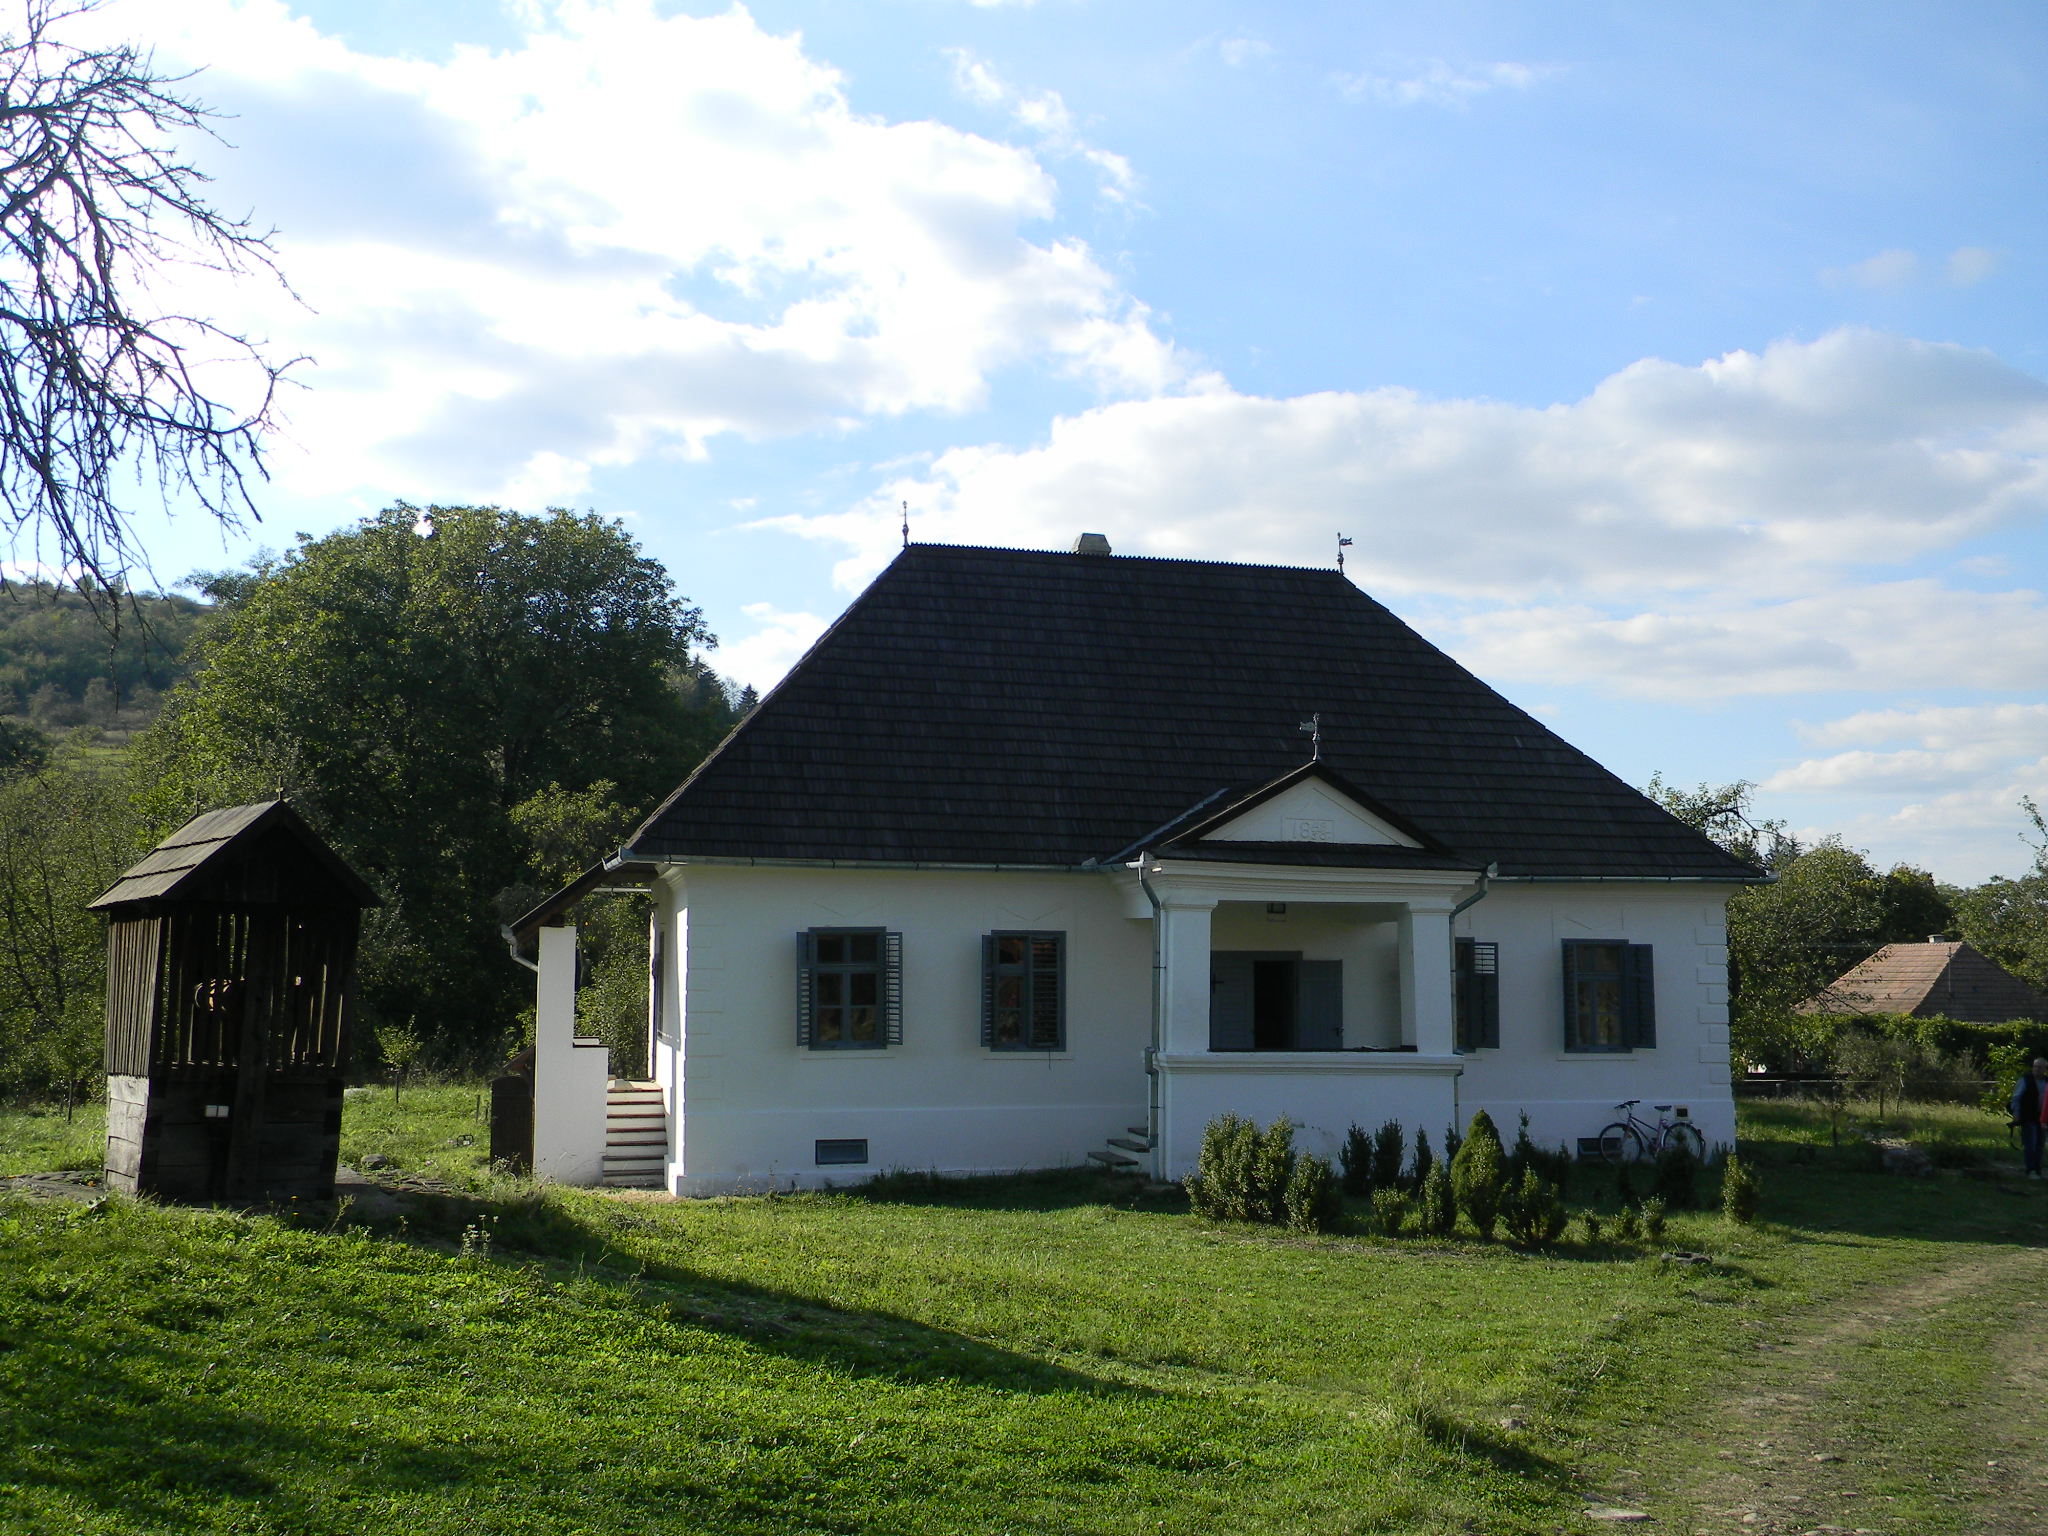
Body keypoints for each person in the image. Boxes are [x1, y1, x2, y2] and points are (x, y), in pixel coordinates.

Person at [2013, 1058, 2048, 1178]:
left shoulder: (2046, 1081)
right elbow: (2017, 1097)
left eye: (2040, 1067)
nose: (2037, 1069)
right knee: (2030, 1143)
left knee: (2040, 1144)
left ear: (2045, 1069)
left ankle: (2037, 1169)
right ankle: (2030, 1169)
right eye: (2035, 1066)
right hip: (2028, 1117)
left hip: (2042, 1118)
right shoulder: (2025, 1079)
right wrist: (2016, 1113)